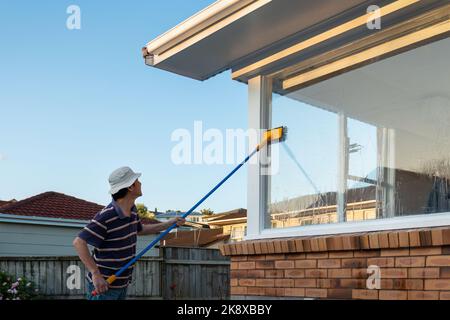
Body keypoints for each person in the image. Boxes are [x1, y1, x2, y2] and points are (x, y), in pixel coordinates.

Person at [73, 166, 185, 300]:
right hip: (103, 287)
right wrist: (96, 274)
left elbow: (140, 230)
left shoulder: (132, 210)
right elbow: (79, 242)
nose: (141, 183)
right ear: (130, 187)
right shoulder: (107, 216)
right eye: (137, 180)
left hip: (121, 284)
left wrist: (169, 223)